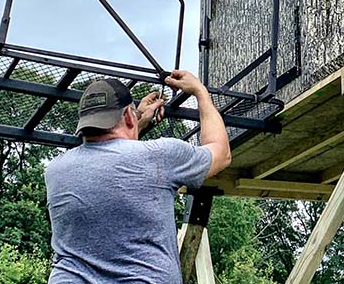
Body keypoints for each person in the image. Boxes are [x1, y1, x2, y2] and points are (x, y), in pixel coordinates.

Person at [44, 69, 231, 284]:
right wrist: (200, 91)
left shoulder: (56, 170)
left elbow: (106, 161)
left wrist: (137, 119)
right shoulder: (160, 156)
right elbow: (221, 152)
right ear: (126, 116)